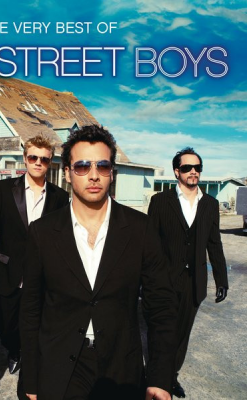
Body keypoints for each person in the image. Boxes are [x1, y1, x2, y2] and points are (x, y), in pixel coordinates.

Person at [20, 125, 178, 400]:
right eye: (82, 166)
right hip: (60, 365)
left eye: (102, 166)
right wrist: (30, 380)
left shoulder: (140, 228)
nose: (93, 175)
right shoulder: (42, 232)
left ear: (112, 173)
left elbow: (162, 307)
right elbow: (31, 310)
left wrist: (160, 378)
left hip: (120, 367)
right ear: (67, 173)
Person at [148, 147, 228, 398]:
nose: (193, 171)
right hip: (164, 279)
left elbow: (214, 243)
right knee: (161, 331)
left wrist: (221, 280)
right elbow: (150, 243)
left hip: (194, 282)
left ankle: (171, 376)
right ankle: (155, 379)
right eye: (187, 167)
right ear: (176, 171)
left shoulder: (210, 204)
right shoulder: (161, 201)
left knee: (182, 333)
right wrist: (145, 278)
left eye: (197, 167)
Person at [0, 134, 69, 374]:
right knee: (5, 322)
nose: (38, 163)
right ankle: (13, 348)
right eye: (33, 157)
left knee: (37, 320)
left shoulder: (59, 197)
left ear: (50, 161)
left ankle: (27, 355)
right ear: (25, 158)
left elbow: (62, 238)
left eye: (44, 159)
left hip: (42, 273)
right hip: (7, 270)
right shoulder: (3, 189)